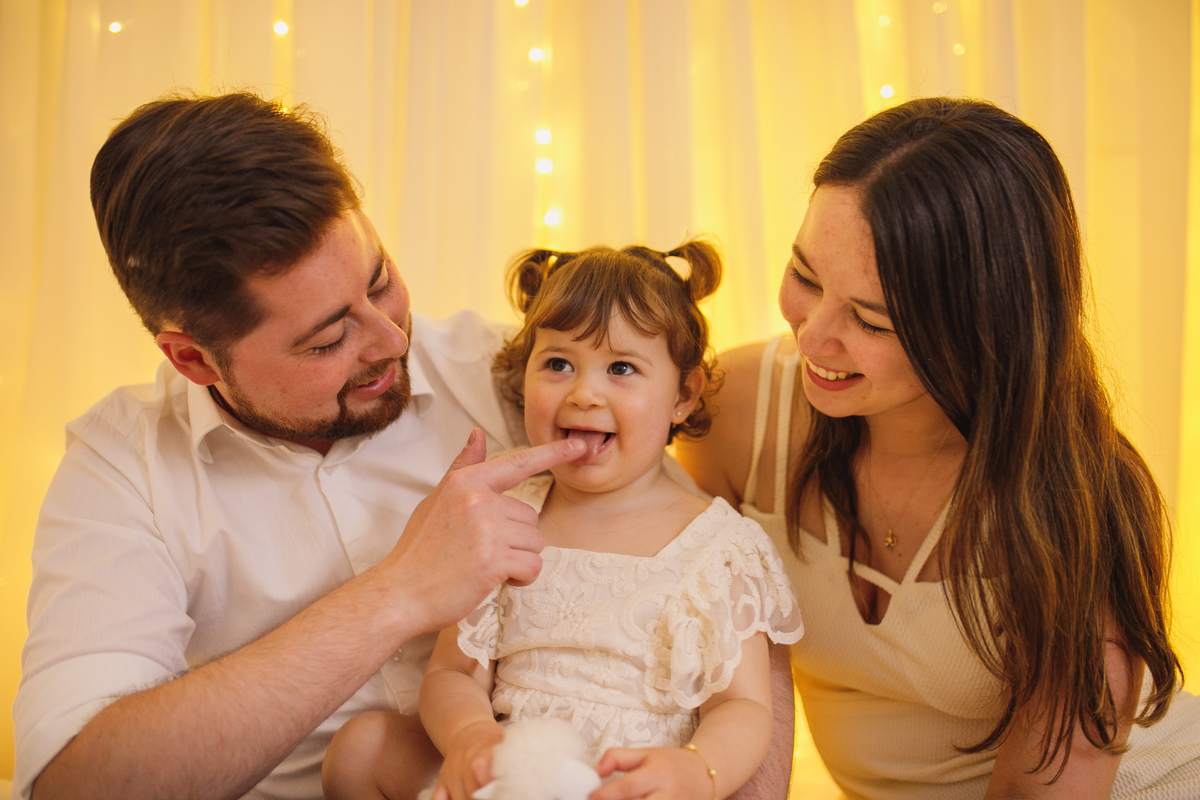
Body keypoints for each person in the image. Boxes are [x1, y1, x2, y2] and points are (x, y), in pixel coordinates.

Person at [12, 92, 589, 800]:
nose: (391, 340)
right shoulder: (124, 463)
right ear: (194, 360)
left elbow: (714, 584)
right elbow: (73, 784)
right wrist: (398, 592)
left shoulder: (524, 376)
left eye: (381, 280)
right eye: (328, 339)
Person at [675, 96, 1200, 798]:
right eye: (806, 276)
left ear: (980, 328)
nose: (814, 336)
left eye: (870, 319)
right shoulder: (736, 411)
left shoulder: (1081, 495)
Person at [321, 243, 805, 800]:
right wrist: (472, 738)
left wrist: (698, 771)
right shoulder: (503, 518)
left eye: (622, 368)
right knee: (363, 747)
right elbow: (453, 673)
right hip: (516, 776)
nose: (584, 392)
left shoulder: (719, 548)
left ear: (683, 395)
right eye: (557, 364)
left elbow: (740, 706)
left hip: (629, 784)